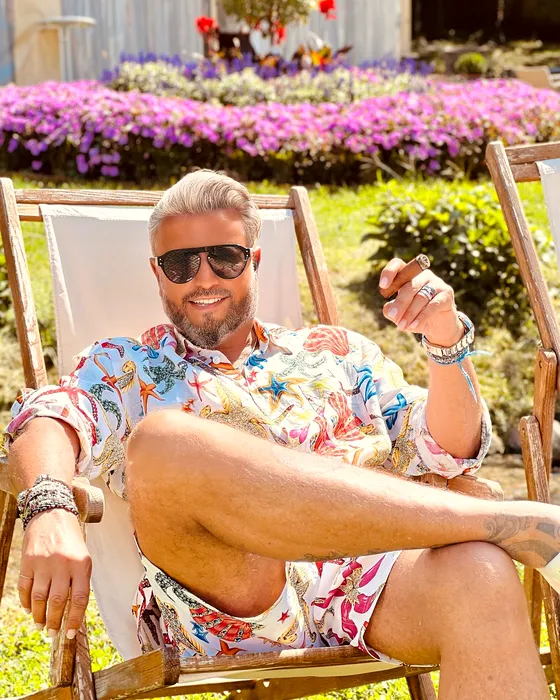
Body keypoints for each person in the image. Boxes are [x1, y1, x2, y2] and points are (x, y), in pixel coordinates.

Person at [4, 170, 559, 700]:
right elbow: (48, 415)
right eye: (180, 263)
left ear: (255, 261)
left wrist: (444, 337)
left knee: (483, 574)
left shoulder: (338, 353)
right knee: (164, 441)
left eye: (225, 257)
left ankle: (502, 532)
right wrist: (49, 506)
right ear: (157, 273)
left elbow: (449, 450)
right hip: (229, 601)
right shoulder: (127, 365)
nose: (204, 279)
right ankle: (504, 522)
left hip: (369, 583)